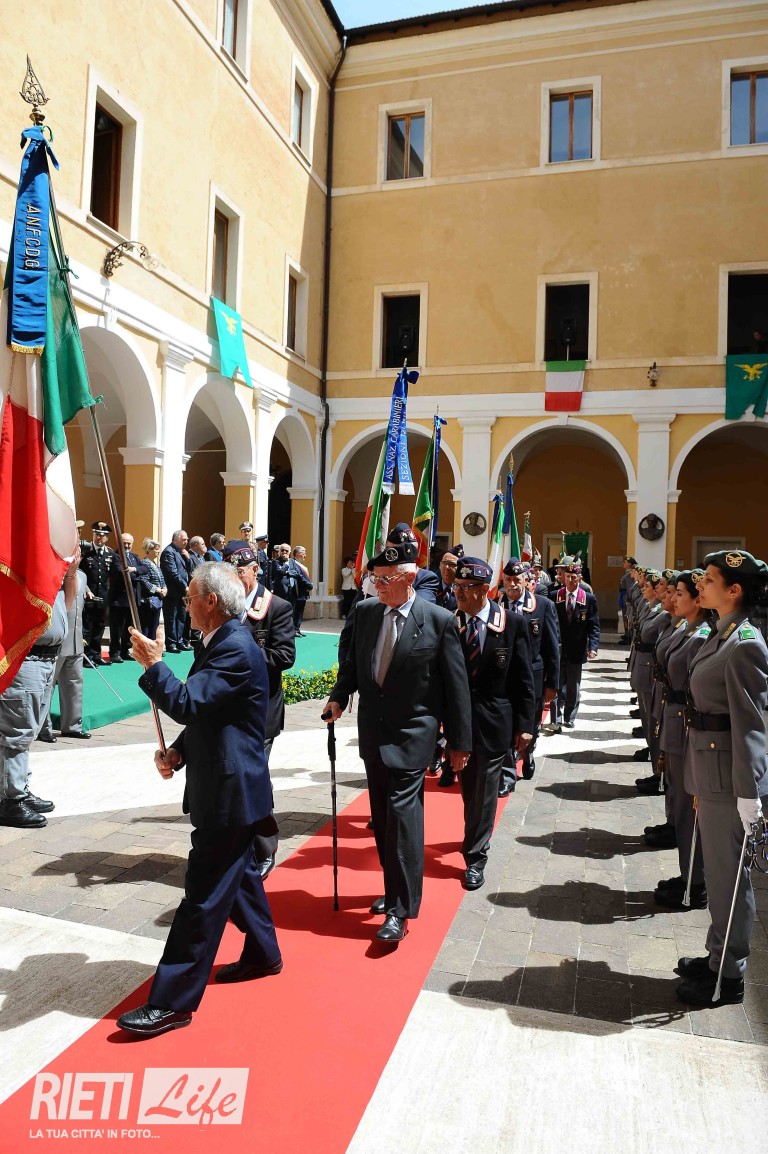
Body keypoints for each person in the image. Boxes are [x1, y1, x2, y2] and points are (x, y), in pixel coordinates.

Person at [118, 563, 282, 1037]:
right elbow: (211, 715)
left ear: (211, 601)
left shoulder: (234, 647)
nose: (185, 604)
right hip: (227, 787)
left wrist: (154, 667)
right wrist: (179, 752)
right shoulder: (218, 640)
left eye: (190, 597)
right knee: (240, 877)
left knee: (203, 898)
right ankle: (264, 954)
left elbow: (188, 702)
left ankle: (172, 1001)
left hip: (231, 794)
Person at [323, 526, 472, 944]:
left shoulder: (438, 620)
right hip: (374, 734)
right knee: (385, 820)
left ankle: (401, 910)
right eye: (376, 578)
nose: (379, 585)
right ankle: (393, 891)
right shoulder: (366, 613)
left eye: (387, 579)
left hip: (413, 736)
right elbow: (353, 664)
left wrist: (459, 743)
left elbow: (456, 687)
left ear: (410, 577)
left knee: (403, 818)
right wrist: (339, 697)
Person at [676, 550, 768, 1008]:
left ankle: (728, 975)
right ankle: (718, 955)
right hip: (709, 772)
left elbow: (751, 726)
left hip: (729, 782)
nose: (701, 584)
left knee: (731, 878)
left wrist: (750, 796)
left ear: (734, 590)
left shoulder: (745, 643)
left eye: (709, 579)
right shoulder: (722, 633)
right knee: (718, 873)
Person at [452, 557, 535, 890]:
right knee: (469, 790)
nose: (458, 593)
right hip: (459, 723)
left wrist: (525, 725)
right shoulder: (449, 622)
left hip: (494, 722)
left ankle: (475, 857)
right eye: (456, 586)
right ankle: (474, 835)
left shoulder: (511, 623)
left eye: (466, 587)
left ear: (485, 589)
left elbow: (524, 679)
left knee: (485, 792)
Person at [227, 546, 296, 878]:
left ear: (255, 570)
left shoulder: (276, 607)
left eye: (239, 572)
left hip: (260, 710)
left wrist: (241, 658)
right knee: (233, 780)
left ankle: (263, 847)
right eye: (230, 573)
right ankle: (236, 847)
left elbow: (284, 656)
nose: (234, 579)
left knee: (253, 779)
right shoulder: (224, 604)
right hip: (227, 708)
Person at [0, 553, 80, 828]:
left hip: (47, 656)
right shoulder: (21, 558)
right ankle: (11, 799)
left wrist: (71, 573)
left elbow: (65, 605)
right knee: (17, 731)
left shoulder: (50, 568)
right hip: (26, 656)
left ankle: (17, 787)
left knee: (28, 729)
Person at [650, 570, 710, 906]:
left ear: (696, 600)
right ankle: (688, 874)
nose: (673, 598)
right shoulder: (686, 629)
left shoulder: (700, 636)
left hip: (686, 727)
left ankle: (695, 883)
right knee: (679, 800)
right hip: (675, 721)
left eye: (680, 593)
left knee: (689, 809)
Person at [499, 560, 559, 792]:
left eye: (517, 579)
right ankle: (507, 775)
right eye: (508, 580)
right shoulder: (497, 605)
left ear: (526, 581)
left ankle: (528, 753)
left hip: (533, 678)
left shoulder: (543, 606)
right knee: (506, 725)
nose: (512, 584)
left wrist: (552, 684)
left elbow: (552, 647)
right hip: (504, 679)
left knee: (530, 723)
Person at [38, 566, 91, 742]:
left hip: (75, 641)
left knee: (74, 686)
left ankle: (72, 726)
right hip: (57, 641)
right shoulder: (54, 573)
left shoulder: (82, 575)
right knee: (48, 687)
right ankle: (43, 728)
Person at [549, 556, 599, 731]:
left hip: (577, 648)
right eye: (567, 576)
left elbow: (594, 625)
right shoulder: (555, 596)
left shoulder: (588, 598)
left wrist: (593, 647)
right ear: (563, 577)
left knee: (573, 686)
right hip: (557, 648)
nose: (570, 580)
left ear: (579, 578)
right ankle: (555, 718)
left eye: (573, 577)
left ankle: (569, 716)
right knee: (556, 683)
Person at [79, 521, 115, 664]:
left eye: (102, 535)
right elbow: (79, 573)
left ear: (107, 538)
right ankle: (87, 656)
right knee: (87, 627)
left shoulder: (110, 554)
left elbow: (114, 574)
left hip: (103, 596)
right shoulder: (85, 553)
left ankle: (96, 655)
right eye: (97, 534)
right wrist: (87, 591)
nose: (99, 538)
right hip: (88, 596)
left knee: (99, 627)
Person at [108, 533, 142, 663]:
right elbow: (120, 572)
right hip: (119, 600)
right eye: (124, 543)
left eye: (129, 543)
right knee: (116, 628)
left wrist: (134, 570)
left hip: (132, 599)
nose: (127, 545)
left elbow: (144, 569)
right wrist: (136, 573)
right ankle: (114, 652)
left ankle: (125, 650)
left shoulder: (134, 557)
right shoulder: (115, 556)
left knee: (129, 627)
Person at [160, 530, 191, 653]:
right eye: (184, 539)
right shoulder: (169, 552)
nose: (186, 542)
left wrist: (188, 559)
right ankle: (171, 643)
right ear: (176, 539)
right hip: (173, 591)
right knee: (171, 617)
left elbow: (188, 570)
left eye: (187, 539)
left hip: (182, 592)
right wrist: (184, 586)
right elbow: (172, 573)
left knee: (181, 617)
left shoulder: (181, 552)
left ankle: (179, 641)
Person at [138, 539, 166, 640]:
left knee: (154, 627)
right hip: (147, 601)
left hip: (157, 601)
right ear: (148, 550)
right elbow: (144, 581)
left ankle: (153, 645)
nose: (158, 551)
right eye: (156, 549)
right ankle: (146, 646)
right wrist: (157, 590)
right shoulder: (144, 563)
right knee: (146, 627)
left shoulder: (155, 564)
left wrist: (165, 589)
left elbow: (162, 579)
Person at [291, 546, 313, 636]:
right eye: (303, 553)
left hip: (303, 592)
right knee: (296, 611)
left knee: (300, 611)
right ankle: (293, 629)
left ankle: (297, 628)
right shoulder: (293, 563)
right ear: (297, 554)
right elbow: (299, 577)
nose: (305, 555)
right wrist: (309, 584)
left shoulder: (300, 564)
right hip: (298, 592)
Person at [435, 544, 464, 611]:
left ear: (459, 568)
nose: (447, 567)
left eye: (452, 564)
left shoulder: (464, 591)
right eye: (445, 563)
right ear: (440, 565)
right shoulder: (431, 587)